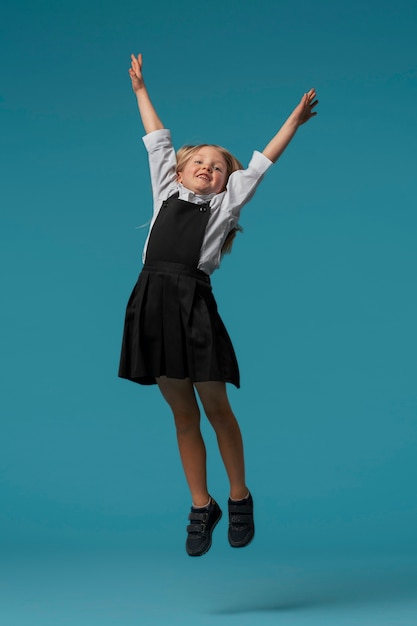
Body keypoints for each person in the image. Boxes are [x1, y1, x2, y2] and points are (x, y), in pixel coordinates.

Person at [119, 53, 318, 557]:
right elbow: (157, 139)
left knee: (216, 407)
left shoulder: (226, 205)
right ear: (180, 170)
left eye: (216, 167)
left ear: (227, 182)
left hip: (193, 307)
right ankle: (200, 504)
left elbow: (262, 163)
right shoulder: (164, 189)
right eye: (198, 163)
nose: (207, 169)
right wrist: (142, 91)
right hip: (151, 302)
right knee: (182, 415)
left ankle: (239, 495)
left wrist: (292, 122)